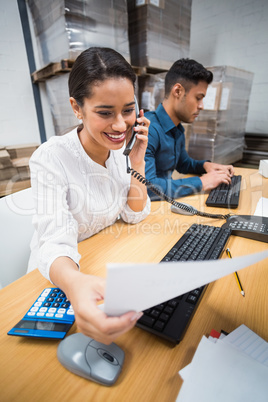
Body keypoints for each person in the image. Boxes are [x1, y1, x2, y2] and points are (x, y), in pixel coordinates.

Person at [27, 47, 151, 344]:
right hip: (58, 278)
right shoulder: (50, 158)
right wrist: (75, 283)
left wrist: (136, 163)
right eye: (105, 113)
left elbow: (134, 214)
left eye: (128, 110)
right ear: (76, 107)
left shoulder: (117, 153)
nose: (121, 125)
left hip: (99, 264)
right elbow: (54, 241)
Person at [144, 58, 235, 200]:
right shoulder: (149, 130)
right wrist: (202, 182)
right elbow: (147, 187)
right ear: (178, 91)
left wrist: (206, 166)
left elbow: (183, 164)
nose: (202, 106)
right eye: (198, 98)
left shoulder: (177, 129)